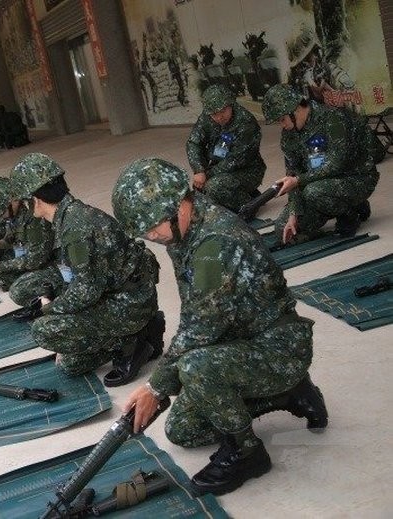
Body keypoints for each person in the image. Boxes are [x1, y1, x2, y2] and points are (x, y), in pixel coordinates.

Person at [112, 157, 328, 495]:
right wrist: (162, 384)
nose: (151, 235)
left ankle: (247, 453)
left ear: (179, 204)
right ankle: (288, 393)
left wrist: (154, 388)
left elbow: (201, 328)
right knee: (183, 430)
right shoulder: (183, 232)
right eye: (145, 231)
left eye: (153, 225)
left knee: (194, 366)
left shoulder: (217, 242)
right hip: (239, 340)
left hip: (278, 346)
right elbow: (196, 313)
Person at [9, 153, 163, 387]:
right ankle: (142, 330)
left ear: (36, 199)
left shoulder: (75, 230)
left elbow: (85, 292)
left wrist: (49, 308)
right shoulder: (73, 214)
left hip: (128, 304)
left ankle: (131, 340)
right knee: (70, 364)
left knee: (43, 330)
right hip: (121, 291)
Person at [261, 84, 379, 243]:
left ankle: (350, 212)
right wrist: (293, 213)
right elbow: (292, 174)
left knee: (314, 192)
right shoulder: (289, 135)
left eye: (282, 119)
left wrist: (298, 180)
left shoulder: (333, 118)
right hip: (317, 184)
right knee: (283, 229)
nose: (282, 125)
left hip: (355, 178)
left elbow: (337, 164)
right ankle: (340, 205)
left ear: (296, 109)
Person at [0, 176, 58, 309]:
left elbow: (36, 259)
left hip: (52, 262)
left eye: (0, 212)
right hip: (28, 253)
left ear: (8, 202)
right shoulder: (14, 206)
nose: (0, 216)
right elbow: (1, 222)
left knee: (18, 292)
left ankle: (50, 297)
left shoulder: (34, 215)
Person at [186, 84, 265, 214]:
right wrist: (199, 169)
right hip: (220, 166)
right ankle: (247, 194)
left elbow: (236, 160)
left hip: (248, 170)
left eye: (223, 111)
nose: (219, 117)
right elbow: (194, 142)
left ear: (230, 104)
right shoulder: (207, 116)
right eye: (214, 114)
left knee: (214, 187)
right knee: (200, 190)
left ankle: (248, 206)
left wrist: (208, 175)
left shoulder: (246, 122)